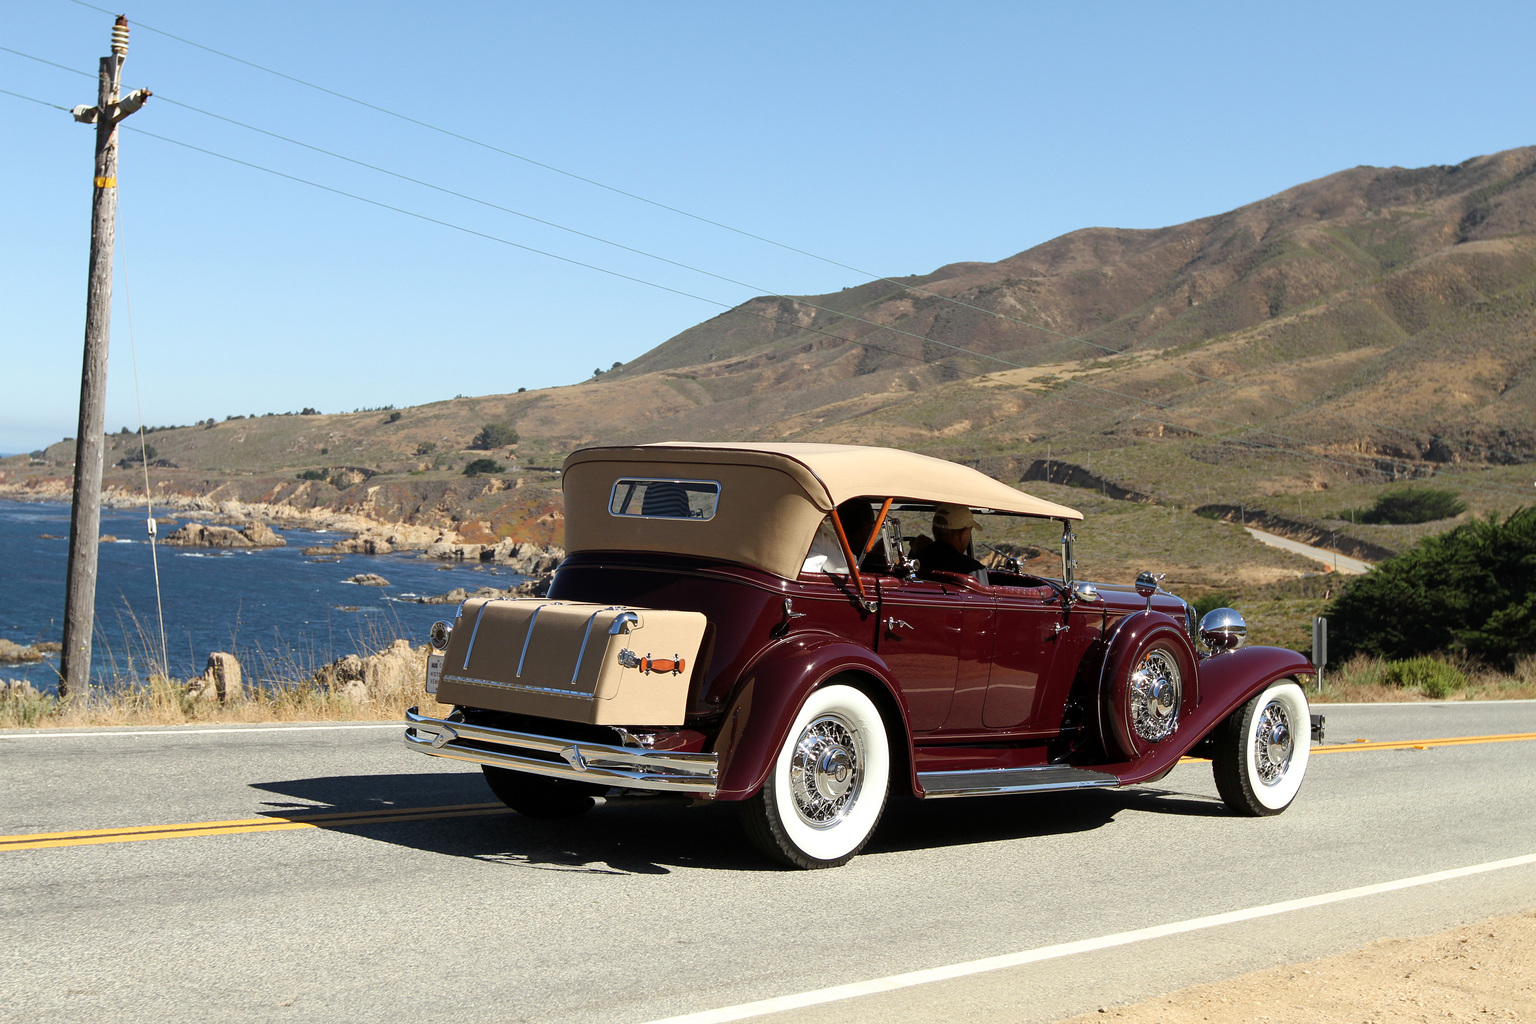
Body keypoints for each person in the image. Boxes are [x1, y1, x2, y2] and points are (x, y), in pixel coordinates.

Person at [917, 503, 984, 576]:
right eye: (970, 531)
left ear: (933, 529)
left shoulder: (914, 562)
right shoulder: (973, 569)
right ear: (963, 534)